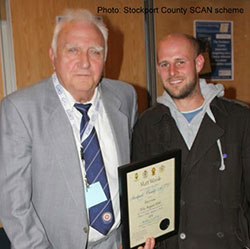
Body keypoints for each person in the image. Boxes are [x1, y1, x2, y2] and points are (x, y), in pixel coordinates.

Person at [0, 9, 154, 249]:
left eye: (95, 51)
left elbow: (134, 172)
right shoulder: (20, 110)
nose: (84, 62)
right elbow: (13, 205)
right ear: (53, 55)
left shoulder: (125, 97)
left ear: (105, 57)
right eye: (72, 50)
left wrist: (138, 231)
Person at [132, 33, 250, 249]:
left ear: (198, 63)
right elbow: (140, 201)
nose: (172, 72)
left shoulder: (239, 119)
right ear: (158, 69)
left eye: (180, 62)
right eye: (164, 64)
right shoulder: (146, 125)